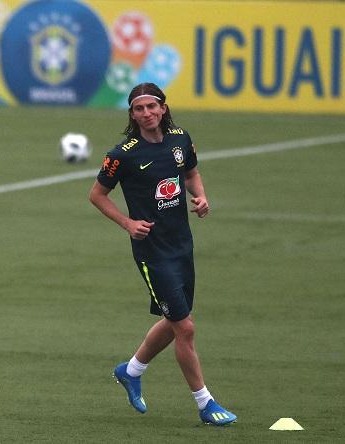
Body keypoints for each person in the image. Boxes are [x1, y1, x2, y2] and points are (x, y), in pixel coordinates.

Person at [88, 82, 236, 426]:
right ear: (132, 114)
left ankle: (131, 370)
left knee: (175, 321)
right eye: (139, 109)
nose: (147, 113)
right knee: (185, 327)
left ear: (163, 108)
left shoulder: (180, 140)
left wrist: (201, 197)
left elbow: (191, 173)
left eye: (152, 106)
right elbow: (96, 195)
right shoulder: (122, 155)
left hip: (182, 244)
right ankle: (205, 404)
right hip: (152, 252)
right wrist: (128, 223)